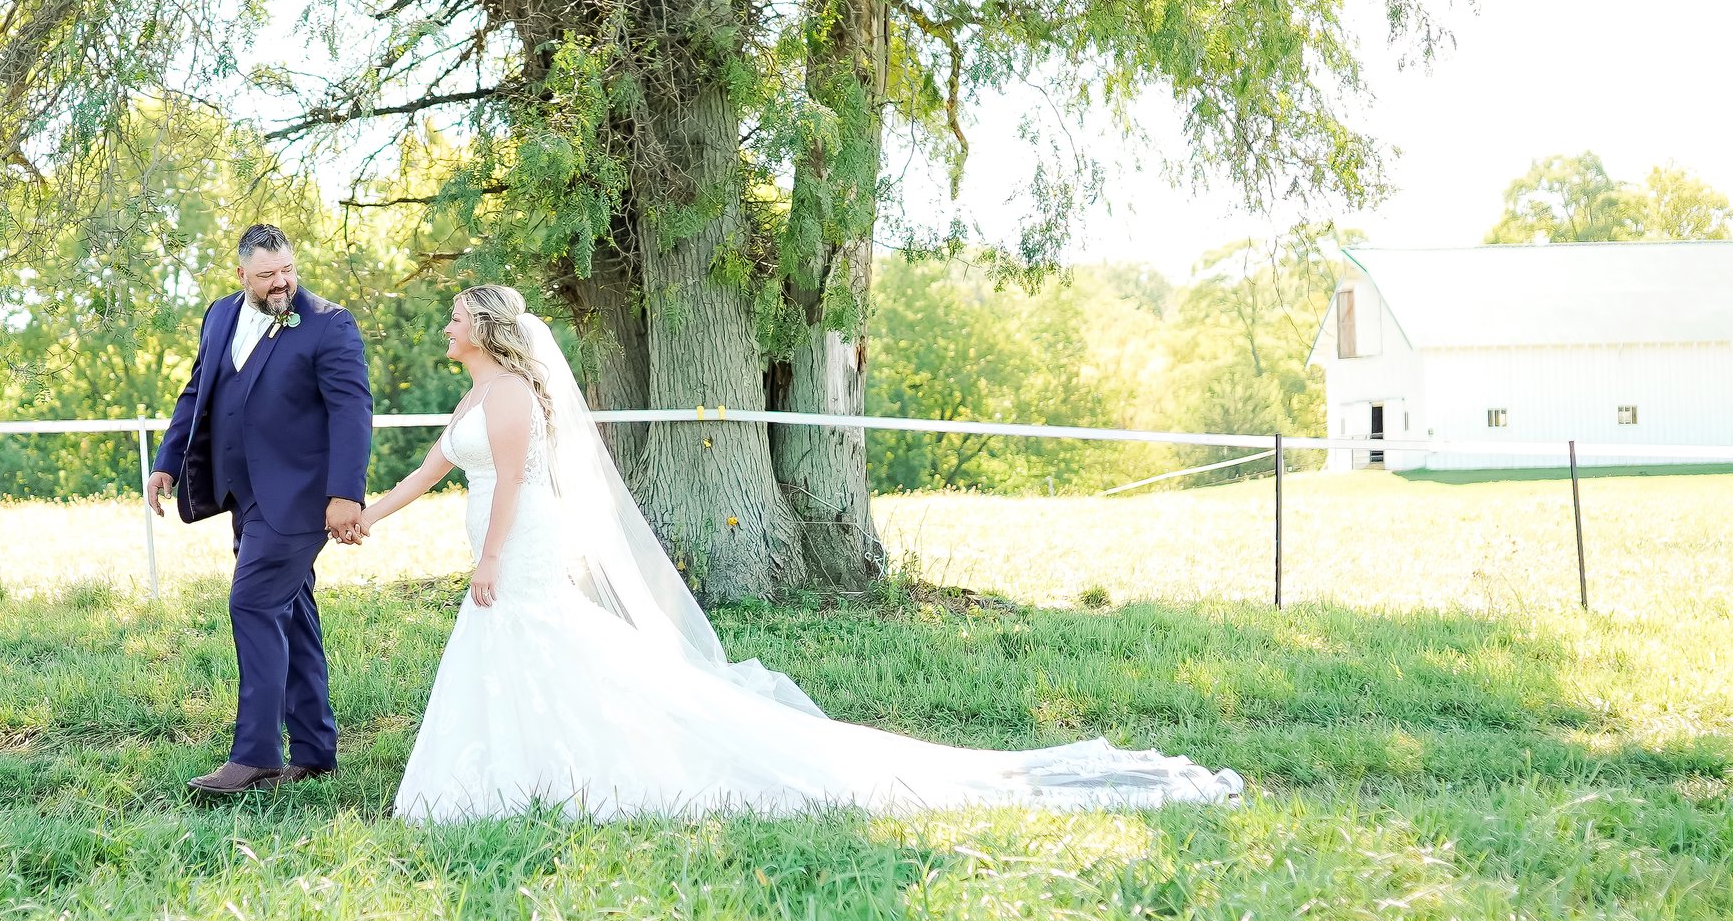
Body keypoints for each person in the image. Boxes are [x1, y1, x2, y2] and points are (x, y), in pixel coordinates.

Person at [357, 284, 1244, 822]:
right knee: (518, 654)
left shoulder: (510, 394)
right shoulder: (473, 395)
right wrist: (365, 514)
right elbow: (432, 470)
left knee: (548, 650)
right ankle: (510, 776)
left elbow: (510, 485)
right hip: (504, 553)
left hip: (521, 548)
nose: (445, 328)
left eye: (454, 319)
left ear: (487, 331)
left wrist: (487, 560)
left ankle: (551, 771)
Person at [148, 224, 374, 797]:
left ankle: (255, 757)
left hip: (298, 499)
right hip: (243, 498)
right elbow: (197, 391)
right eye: (268, 274)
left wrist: (346, 493)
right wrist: (167, 461)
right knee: (291, 614)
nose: (281, 283)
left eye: (288, 271)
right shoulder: (220, 315)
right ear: (242, 273)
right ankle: (316, 750)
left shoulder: (329, 323)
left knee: (251, 604)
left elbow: (352, 410)